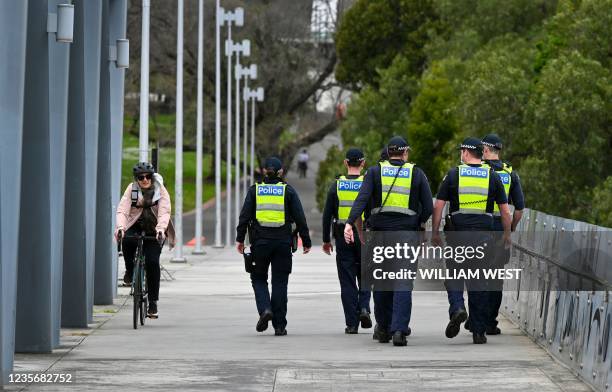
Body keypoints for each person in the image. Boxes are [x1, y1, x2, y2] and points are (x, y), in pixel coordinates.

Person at [344, 136, 433, 346]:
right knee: (403, 282)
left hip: (379, 236)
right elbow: (428, 207)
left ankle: (383, 328)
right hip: (407, 236)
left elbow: (362, 200)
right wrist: (419, 223)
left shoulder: (374, 172)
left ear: (388, 152)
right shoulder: (416, 173)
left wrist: (349, 223)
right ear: (405, 153)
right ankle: (399, 331)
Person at [431, 137, 512, 344]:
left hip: (457, 236)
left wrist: (435, 233)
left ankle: (458, 307)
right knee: (479, 282)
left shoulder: (453, 174)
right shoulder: (492, 177)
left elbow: (438, 206)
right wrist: (506, 235)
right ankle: (478, 332)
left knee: (454, 276)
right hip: (484, 238)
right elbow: (505, 211)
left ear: (466, 153)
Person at [236, 157, 312, 336]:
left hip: (260, 242)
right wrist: (306, 241)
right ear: (281, 172)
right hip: (283, 243)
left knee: (258, 278)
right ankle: (279, 326)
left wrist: (240, 239)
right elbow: (300, 218)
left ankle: (265, 310)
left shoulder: (255, 190)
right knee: (280, 282)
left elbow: (244, 216)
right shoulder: (288, 191)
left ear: (264, 172)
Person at [115, 162, 175, 319]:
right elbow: (123, 209)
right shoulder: (132, 189)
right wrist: (121, 227)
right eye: (141, 177)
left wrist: (161, 229)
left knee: (153, 262)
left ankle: (153, 303)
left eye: (148, 176)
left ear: (152, 177)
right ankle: (129, 270)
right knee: (127, 240)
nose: (145, 180)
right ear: (136, 179)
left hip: (155, 228)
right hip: (135, 224)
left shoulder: (160, 189)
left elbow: (164, 212)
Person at [322, 148, 372, 334]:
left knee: (347, 280)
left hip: (343, 236)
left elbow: (327, 214)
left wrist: (327, 240)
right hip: (364, 235)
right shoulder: (368, 183)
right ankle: (365, 307)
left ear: (345, 163)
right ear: (363, 163)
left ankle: (352, 323)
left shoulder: (337, 185)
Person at [480, 133, 524, 334]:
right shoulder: (510, 173)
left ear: (486, 150)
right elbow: (520, 210)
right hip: (500, 231)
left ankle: (477, 319)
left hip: (479, 228)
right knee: (496, 278)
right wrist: (511, 229)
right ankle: (490, 322)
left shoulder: (478, 170)